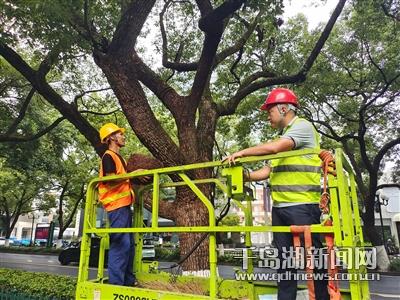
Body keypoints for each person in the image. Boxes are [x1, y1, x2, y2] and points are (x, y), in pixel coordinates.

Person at [224, 88, 329, 300]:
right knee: (285, 262)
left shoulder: (302, 127)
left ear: (283, 108)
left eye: (269, 110)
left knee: (314, 260)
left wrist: (242, 152)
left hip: (303, 206)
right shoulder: (281, 137)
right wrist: (245, 176)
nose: (267, 116)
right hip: (280, 209)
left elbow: (275, 149)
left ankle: (321, 297)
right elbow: (267, 172)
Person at [98, 122, 136, 286]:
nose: (123, 136)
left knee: (130, 246)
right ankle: (116, 285)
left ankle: (128, 282)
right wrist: (133, 175)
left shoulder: (120, 158)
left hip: (125, 205)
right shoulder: (108, 156)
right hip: (116, 206)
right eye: (120, 134)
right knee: (121, 244)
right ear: (112, 137)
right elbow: (111, 179)